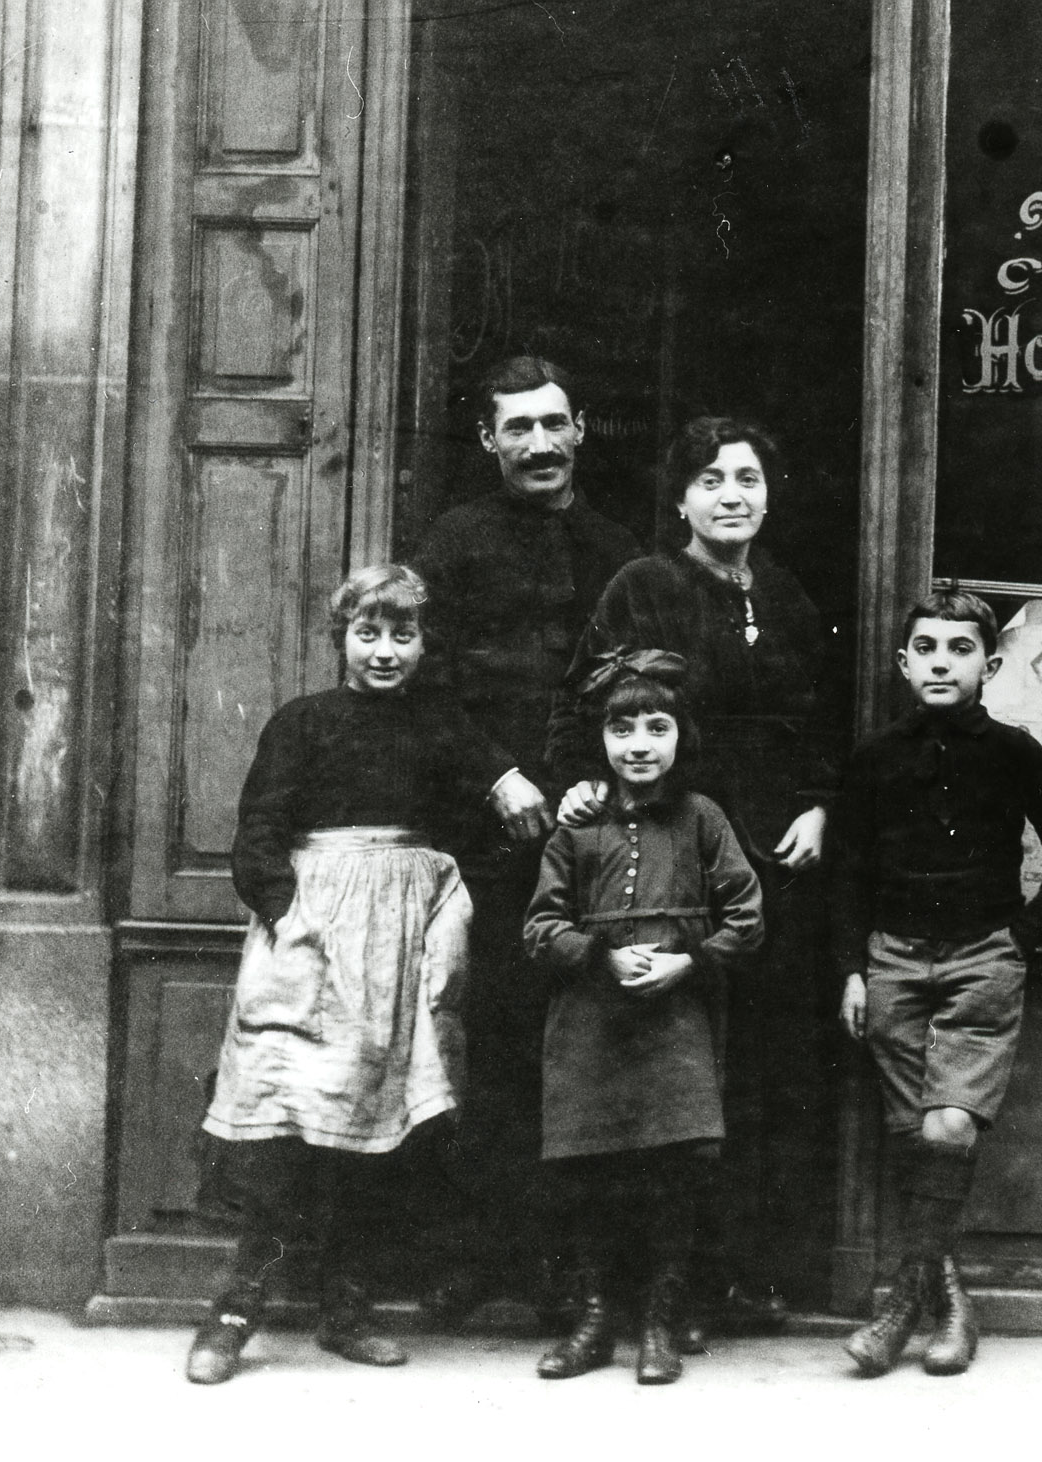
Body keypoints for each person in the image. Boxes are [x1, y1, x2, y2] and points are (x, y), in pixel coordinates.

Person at [184, 565, 549, 1385]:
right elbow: (259, 832)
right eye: (368, 634)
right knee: (283, 1122)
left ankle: (346, 1309)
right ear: (341, 639)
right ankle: (235, 1312)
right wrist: (289, 917)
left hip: (399, 942)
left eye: (403, 635)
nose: (385, 652)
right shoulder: (302, 723)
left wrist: (508, 780)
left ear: (423, 644)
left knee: (374, 1129)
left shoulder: (438, 724)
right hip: (312, 935)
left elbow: (494, 780)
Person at [547, 416, 843, 1335]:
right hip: (677, 844)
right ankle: (634, 1292)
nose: (732, 496)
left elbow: (822, 717)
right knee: (658, 1066)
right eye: (710, 480)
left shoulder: (786, 594)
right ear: (679, 498)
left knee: (750, 1069)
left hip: (772, 855)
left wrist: (818, 802)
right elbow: (599, 708)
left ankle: (725, 1279)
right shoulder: (647, 585)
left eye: (748, 478)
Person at [411, 356, 641, 1317]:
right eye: (519, 429)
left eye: (555, 424)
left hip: (591, 830)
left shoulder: (618, 549)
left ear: (581, 429)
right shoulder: (454, 544)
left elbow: (637, 683)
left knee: (581, 1041)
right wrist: (496, 775)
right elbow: (418, 678)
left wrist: (594, 777)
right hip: (483, 830)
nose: (540, 444)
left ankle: (571, 1270)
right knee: (487, 1039)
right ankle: (476, 1256)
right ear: (488, 441)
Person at [831, 588, 1042, 1377]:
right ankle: (950, 1302)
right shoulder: (876, 756)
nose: (942, 662)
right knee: (915, 1136)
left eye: (960, 649)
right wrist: (852, 968)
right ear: (903, 661)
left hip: (982, 958)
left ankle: (903, 1304)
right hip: (893, 962)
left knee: (948, 1130)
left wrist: (1016, 939)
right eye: (928, 649)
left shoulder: (1014, 752)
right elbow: (845, 873)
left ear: (992, 663)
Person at [523, 651, 764, 1385]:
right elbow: (539, 927)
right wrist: (598, 955)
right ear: (600, 740)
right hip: (590, 1019)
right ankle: (596, 1321)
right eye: (621, 727)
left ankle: (659, 1320)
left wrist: (687, 960)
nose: (638, 743)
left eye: (656, 727)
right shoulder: (579, 829)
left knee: (674, 1167)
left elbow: (747, 917)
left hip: (678, 1020)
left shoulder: (702, 820)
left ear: (680, 737)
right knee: (590, 1168)